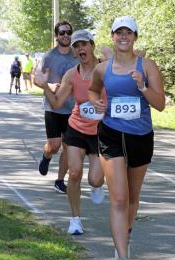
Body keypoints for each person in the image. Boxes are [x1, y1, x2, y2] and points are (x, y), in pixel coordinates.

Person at [88, 16, 165, 260]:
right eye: (118, 33)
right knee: (119, 198)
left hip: (141, 136)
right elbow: (93, 91)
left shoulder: (148, 66)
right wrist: (97, 102)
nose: (123, 37)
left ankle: (125, 235)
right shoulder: (103, 69)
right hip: (111, 134)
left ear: (135, 37)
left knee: (132, 197)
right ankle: (123, 259)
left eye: (128, 33)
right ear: (112, 36)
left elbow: (161, 104)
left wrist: (142, 86)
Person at [34, 29, 106, 235]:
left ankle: (97, 185)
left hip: (101, 131)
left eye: (84, 44)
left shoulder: (106, 68)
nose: (80, 48)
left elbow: (137, 60)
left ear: (92, 46)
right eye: (76, 46)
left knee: (95, 179)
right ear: (74, 52)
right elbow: (56, 103)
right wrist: (44, 87)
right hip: (76, 128)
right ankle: (75, 220)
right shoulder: (71, 74)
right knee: (74, 173)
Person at [34, 21, 78, 194]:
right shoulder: (49, 57)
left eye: (68, 32)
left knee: (68, 146)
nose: (65, 35)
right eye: (62, 32)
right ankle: (47, 155)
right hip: (53, 107)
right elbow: (36, 78)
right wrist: (49, 86)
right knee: (55, 145)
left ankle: (60, 181)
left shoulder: (77, 55)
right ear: (56, 36)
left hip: (72, 108)